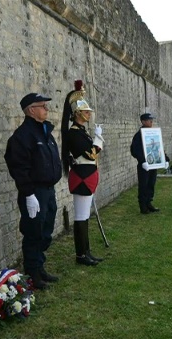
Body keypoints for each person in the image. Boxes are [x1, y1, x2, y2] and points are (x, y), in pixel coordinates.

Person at [4, 92, 62, 288]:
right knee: (33, 231)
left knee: (46, 230)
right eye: (43, 106)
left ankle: (39, 265)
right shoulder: (22, 136)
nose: (47, 109)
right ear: (31, 110)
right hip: (34, 192)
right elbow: (19, 167)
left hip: (48, 190)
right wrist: (29, 194)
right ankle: (32, 273)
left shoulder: (45, 132)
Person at [60, 80, 104, 266]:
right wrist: (99, 138)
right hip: (82, 178)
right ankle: (81, 255)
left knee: (85, 217)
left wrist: (94, 138)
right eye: (86, 112)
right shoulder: (74, 134)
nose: (89, 114)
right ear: (77, 114)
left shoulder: (82, 132)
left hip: (87, 176)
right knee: (81, 217)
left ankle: (86, 251)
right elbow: (90, 153)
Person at [130, 112, 162, 214]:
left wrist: (164, 158)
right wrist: (142, 161)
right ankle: (143, 206)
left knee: (151, 184)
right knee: (144, 185)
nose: (151, 121)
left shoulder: (153, 133)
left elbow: (158, 147)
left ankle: (149, 203)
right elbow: (135, 150)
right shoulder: (139, 135)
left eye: (151, 120)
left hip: (153, 163)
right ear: (143, 121)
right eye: (149, 120)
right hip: (144, 165)